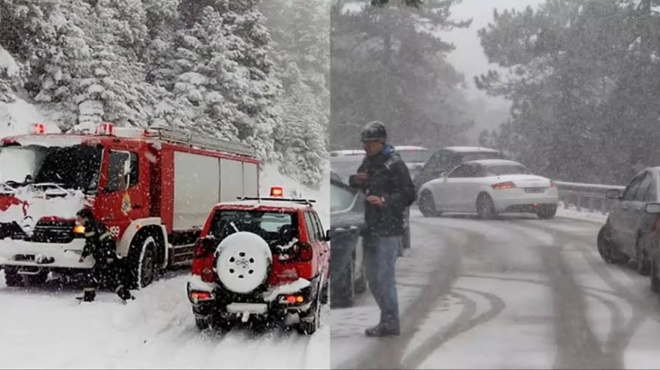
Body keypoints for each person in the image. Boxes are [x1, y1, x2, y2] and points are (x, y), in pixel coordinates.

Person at [349, 121, 416, 337]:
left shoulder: (395, 164)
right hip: (369, 228)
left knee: (384, 276)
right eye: (364, 143)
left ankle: (390, 322)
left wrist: (385, 201)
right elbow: (356, 186)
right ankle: (387, 318)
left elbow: (409, 195)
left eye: (369, 143)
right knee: (372, 278)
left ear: (381, 142)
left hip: (389, 229)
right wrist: (355, 180)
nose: (365, 147)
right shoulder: (368, 162)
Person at [76, 208, 134, 303]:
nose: (78, 221)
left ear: (86, 218)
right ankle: (88, 298)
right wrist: (84, 255)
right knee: (95, 277)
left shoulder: (97, 227)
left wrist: (109, 256)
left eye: (79, 219)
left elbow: (109, 242)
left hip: (105, 259)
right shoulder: (89, 228)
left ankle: (127, 297)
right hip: (101, 258)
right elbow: (90, 244)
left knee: (107, 280)